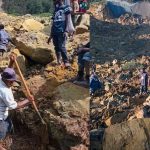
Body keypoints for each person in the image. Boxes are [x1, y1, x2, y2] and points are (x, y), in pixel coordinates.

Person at [0, 55, 34, 150]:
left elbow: (7, 71)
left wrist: (11, 62)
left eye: (13, 81)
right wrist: (28, 100)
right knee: (1, 132)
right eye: (10, 82)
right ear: (5, 80)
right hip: (0, 118)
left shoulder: (1, 77)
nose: (12, 83)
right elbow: (13, 106)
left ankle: (8, 136)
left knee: (9, 126)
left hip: (3, 111)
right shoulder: (4, 91)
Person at [47, 0, 72, 68]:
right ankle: (59, 60)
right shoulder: (55, 10)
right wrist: (50, 35)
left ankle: (66, 61)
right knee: (56, 47)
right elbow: (53, 23)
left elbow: (68, 19)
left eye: (54, 0)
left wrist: (66, 30)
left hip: (61, 31)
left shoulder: (66, 7)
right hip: (55, 31)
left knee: (62, 46)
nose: (53, 2)